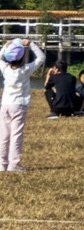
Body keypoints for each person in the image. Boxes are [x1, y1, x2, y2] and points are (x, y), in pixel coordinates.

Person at [1, 39, 45, 172]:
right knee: (16, 135)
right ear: (21, 59)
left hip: (5, 104)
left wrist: (5, 46)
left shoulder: (4, 68)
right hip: (19, 104)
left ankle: (2, 164)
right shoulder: (26, 70)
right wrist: (30, 44)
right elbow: (41, 58)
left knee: (4, 135)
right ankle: (14, 164)